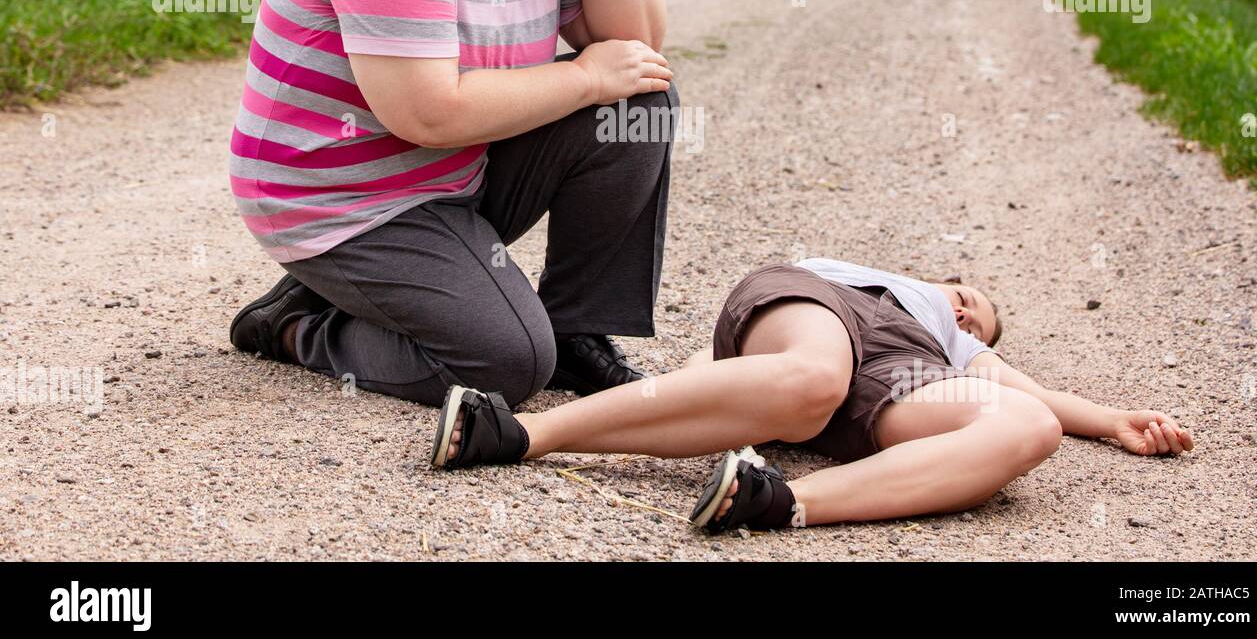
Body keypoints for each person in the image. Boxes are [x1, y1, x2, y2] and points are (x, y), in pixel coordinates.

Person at [226, 0, 677, 407]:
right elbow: (427, 114)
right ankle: (300, 322)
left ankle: (580, 331)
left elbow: (634, 43)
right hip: (339, 197)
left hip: (452, 172)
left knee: (639, 99)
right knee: (507, 365)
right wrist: (584, 79)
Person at [428, 257, 1194, 534]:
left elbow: (1032, 392)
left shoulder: (952, 346)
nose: (964, 313)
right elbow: (718, 360)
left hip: (902, 372)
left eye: (978, 322)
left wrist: (1112, 422)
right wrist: (702, 384)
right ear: (938, 279)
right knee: (810, 383)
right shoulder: (876, 282)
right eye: (964, 296)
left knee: (1027, 428)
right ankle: (521, 435)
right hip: (825, 312)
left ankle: (779, 504)